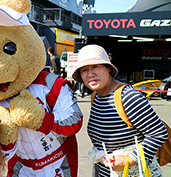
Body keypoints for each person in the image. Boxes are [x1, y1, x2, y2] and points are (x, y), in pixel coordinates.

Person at [72, 44, 168, 177]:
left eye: (95, 67)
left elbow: (159, 133)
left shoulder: (127, 96)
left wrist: (129, 160)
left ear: (108, 68)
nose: (90, 74)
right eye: (84, 70)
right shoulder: (96, 97)